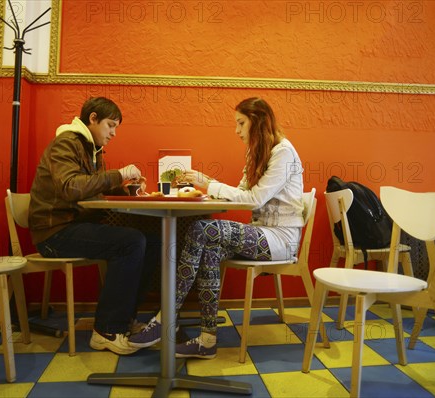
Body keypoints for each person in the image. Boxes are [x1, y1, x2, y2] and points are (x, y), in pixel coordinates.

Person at [129, 97, 305, 359]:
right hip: (262, 233)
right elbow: (243, 193)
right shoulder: (257, 152)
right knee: (210, 244)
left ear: (258, 122)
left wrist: (207, 185)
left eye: (241, 123)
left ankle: (166, 318)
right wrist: (207, 182)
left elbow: (254, 199)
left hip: (281, 239)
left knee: (202, 229)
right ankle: (207, 339)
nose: (237, 130)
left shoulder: (283, 153)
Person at [28, 96, 160, 355]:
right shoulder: (66, 143)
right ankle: (106, 331)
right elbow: (71, 187)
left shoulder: (88, 148)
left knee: (152, 241)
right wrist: (118, 174)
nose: (113, 133)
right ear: (93, 119)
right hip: (54, 234)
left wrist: (127, 192)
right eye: (110, 125)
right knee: (132, 242)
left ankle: (123, 320)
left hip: (71, 227)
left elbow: (91, 191)